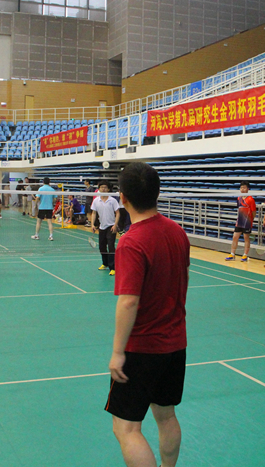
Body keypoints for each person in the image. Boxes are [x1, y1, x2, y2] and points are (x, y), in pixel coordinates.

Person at [105, 162, 190, 467]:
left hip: (142, 348)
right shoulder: (178, 232)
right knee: (166, 416)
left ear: (123, 198)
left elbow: (129, 301)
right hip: (175, 344)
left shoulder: (131, 242)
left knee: (126, 429)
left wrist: (118, 352)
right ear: (157, 193)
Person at [91, 180, 120, 275]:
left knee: (111, 247)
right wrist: (92, 224)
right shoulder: (96, 200)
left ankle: (113, 267)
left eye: (105, 187)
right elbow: (94, 213)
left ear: (108, 189)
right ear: (99, 189)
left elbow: (118, 213)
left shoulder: (112, 200)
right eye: (102, 187)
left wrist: (115, 225)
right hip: (102, 227)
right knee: (102, 247)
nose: (103, 189)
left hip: (111, 226)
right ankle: (105, 263)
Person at [226, 181, 256, 262]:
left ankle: (245, 255)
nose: (242, 189)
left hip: (247, 222)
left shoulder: (251, 199)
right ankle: (232, 254)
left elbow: (254, 212)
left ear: (248, 189)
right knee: (235, 237)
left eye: (244, 187)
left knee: (246, 238)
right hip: (239, 222)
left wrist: (250, 220)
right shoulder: (239, 198)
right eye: (241, 187)